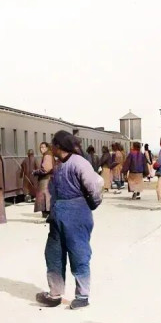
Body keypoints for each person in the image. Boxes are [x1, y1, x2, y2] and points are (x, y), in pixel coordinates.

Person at [35, 131, 104, 310]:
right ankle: (55, 293)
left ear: (59, 146)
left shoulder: (79, 163)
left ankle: (82, 296)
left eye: (53, 145)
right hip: (57, 215)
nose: (51, 148)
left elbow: (94, 187)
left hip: (77, 214)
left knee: (78, 253)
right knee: (53, 254)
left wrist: (91, 205)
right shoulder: (58, 165)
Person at [33, 142, 54, 218]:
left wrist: (36, 172)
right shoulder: (48, 155)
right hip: (48, 179)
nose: (41, 149)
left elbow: (46, 169)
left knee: (44, 197)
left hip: (45, 180)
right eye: (40, 147)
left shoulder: (47, 155)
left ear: (47, 148)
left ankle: (46, 213)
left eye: (43, 147)